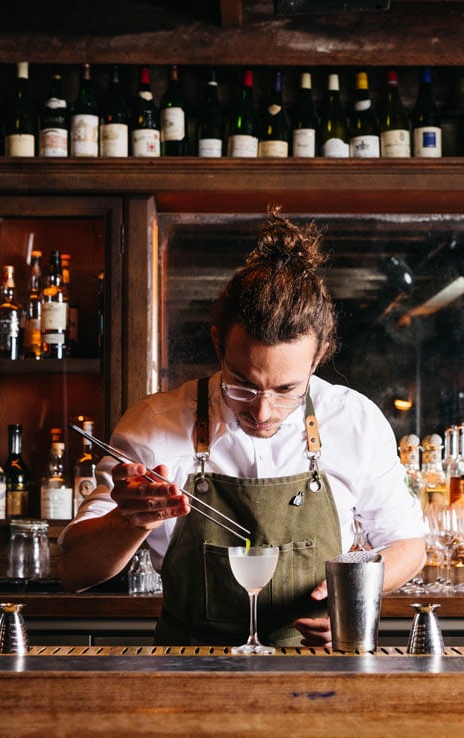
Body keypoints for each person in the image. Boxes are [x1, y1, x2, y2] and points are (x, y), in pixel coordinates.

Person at [59, 207, 426, 647]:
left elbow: (407, 543)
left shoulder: (354, 420)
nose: (263, 411)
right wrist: (130, 520)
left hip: (317, 669)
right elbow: (75, 572)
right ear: (219, 344)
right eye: (243, 386)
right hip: (187, 670)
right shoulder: (155, 425)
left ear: (320, 355)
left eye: (287, 389)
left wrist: (357, 595)